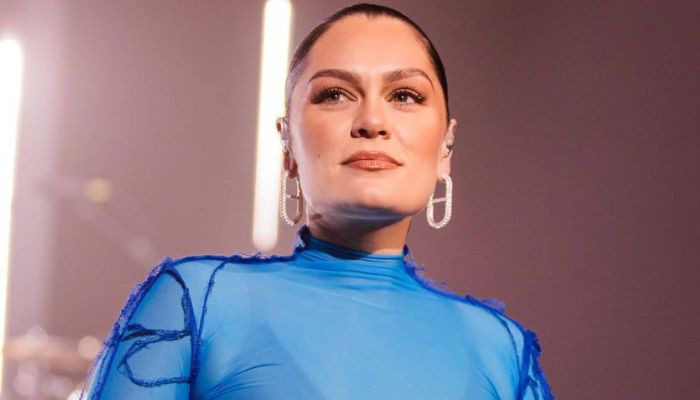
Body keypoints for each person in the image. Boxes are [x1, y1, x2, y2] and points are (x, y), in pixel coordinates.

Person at [79, 3, 554, 399]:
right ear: (287, 145)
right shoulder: (197, 306)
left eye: (406, 95)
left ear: (446, 147)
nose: (373, 121)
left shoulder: (501, 352)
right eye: (335, 95)